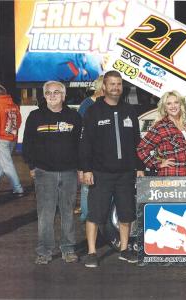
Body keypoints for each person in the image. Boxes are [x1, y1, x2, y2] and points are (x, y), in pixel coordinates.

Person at [79, 70, 144, 268]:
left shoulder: (129, 110)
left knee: (126, 214)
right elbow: (85, 143)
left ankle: (124, 250)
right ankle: (91, 252)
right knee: (95, 215)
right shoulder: (93, 111)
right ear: (104, 87)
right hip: (100, 173)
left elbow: (136, 141)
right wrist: (86, 169)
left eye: (119, 84)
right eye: (112, 84)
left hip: (125, 173)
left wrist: (139, 167)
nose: (116, 88)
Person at [22, 81, 82, 264]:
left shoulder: (74, 117)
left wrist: (80, 168)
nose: (53, 95)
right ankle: (44, 251)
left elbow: (81, 145)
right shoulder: (35, 116)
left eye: (57, 92)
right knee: (45, 214)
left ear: (64, 96)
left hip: (69, 173)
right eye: (49, 92)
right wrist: (32, 166)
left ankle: (68, 249)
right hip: (44, 173)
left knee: (67, 212)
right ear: (44, 95)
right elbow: (27, 144)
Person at [137, 91, 186, 176]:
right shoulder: (160, 126)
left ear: (180, 105)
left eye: (176, 102)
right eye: (169, 104)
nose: (173, 106)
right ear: (164, 107)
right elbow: (142, 148)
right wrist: (157, 163)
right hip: (170, 176)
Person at [77, 75, 104, 221]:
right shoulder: (87, 104)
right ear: (101, 88)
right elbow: (80, 132)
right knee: (87, 186)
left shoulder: (106, 103)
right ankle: (86, 216)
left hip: (101, 153)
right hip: (88, 152)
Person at [0, 84, 24, 196]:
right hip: (12, 138)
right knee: (1, 164)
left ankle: (18, 188)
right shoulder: (13, 104)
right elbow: (19, 122)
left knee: (7, 165)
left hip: (1, 138)